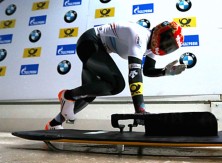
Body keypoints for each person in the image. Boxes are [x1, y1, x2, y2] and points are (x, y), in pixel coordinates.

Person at [45, 21, 186, 130]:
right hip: (90, 42)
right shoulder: (140, 36)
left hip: (95, 47)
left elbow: (147, 71)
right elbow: (134, 74)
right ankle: (68, 95)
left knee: (90, 92)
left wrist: (164, 72)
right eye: (165, 39)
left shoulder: (150, 49)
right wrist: (140, 110)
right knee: (117, 85)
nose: (162, 46)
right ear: (158, 29)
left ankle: (54, 124)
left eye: (168, 47)